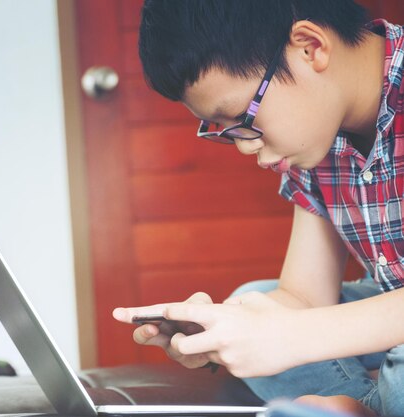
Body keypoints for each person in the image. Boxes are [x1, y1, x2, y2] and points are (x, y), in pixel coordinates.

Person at [111, 1, 404, 416]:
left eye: (242, 118)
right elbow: (304, 295)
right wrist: (224, 333)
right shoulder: (317, 138)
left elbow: (301, 326)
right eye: (228, 132)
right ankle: (366, 406)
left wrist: (291, 335)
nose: (248, 146)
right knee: (254, 301)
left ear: (309, 47)